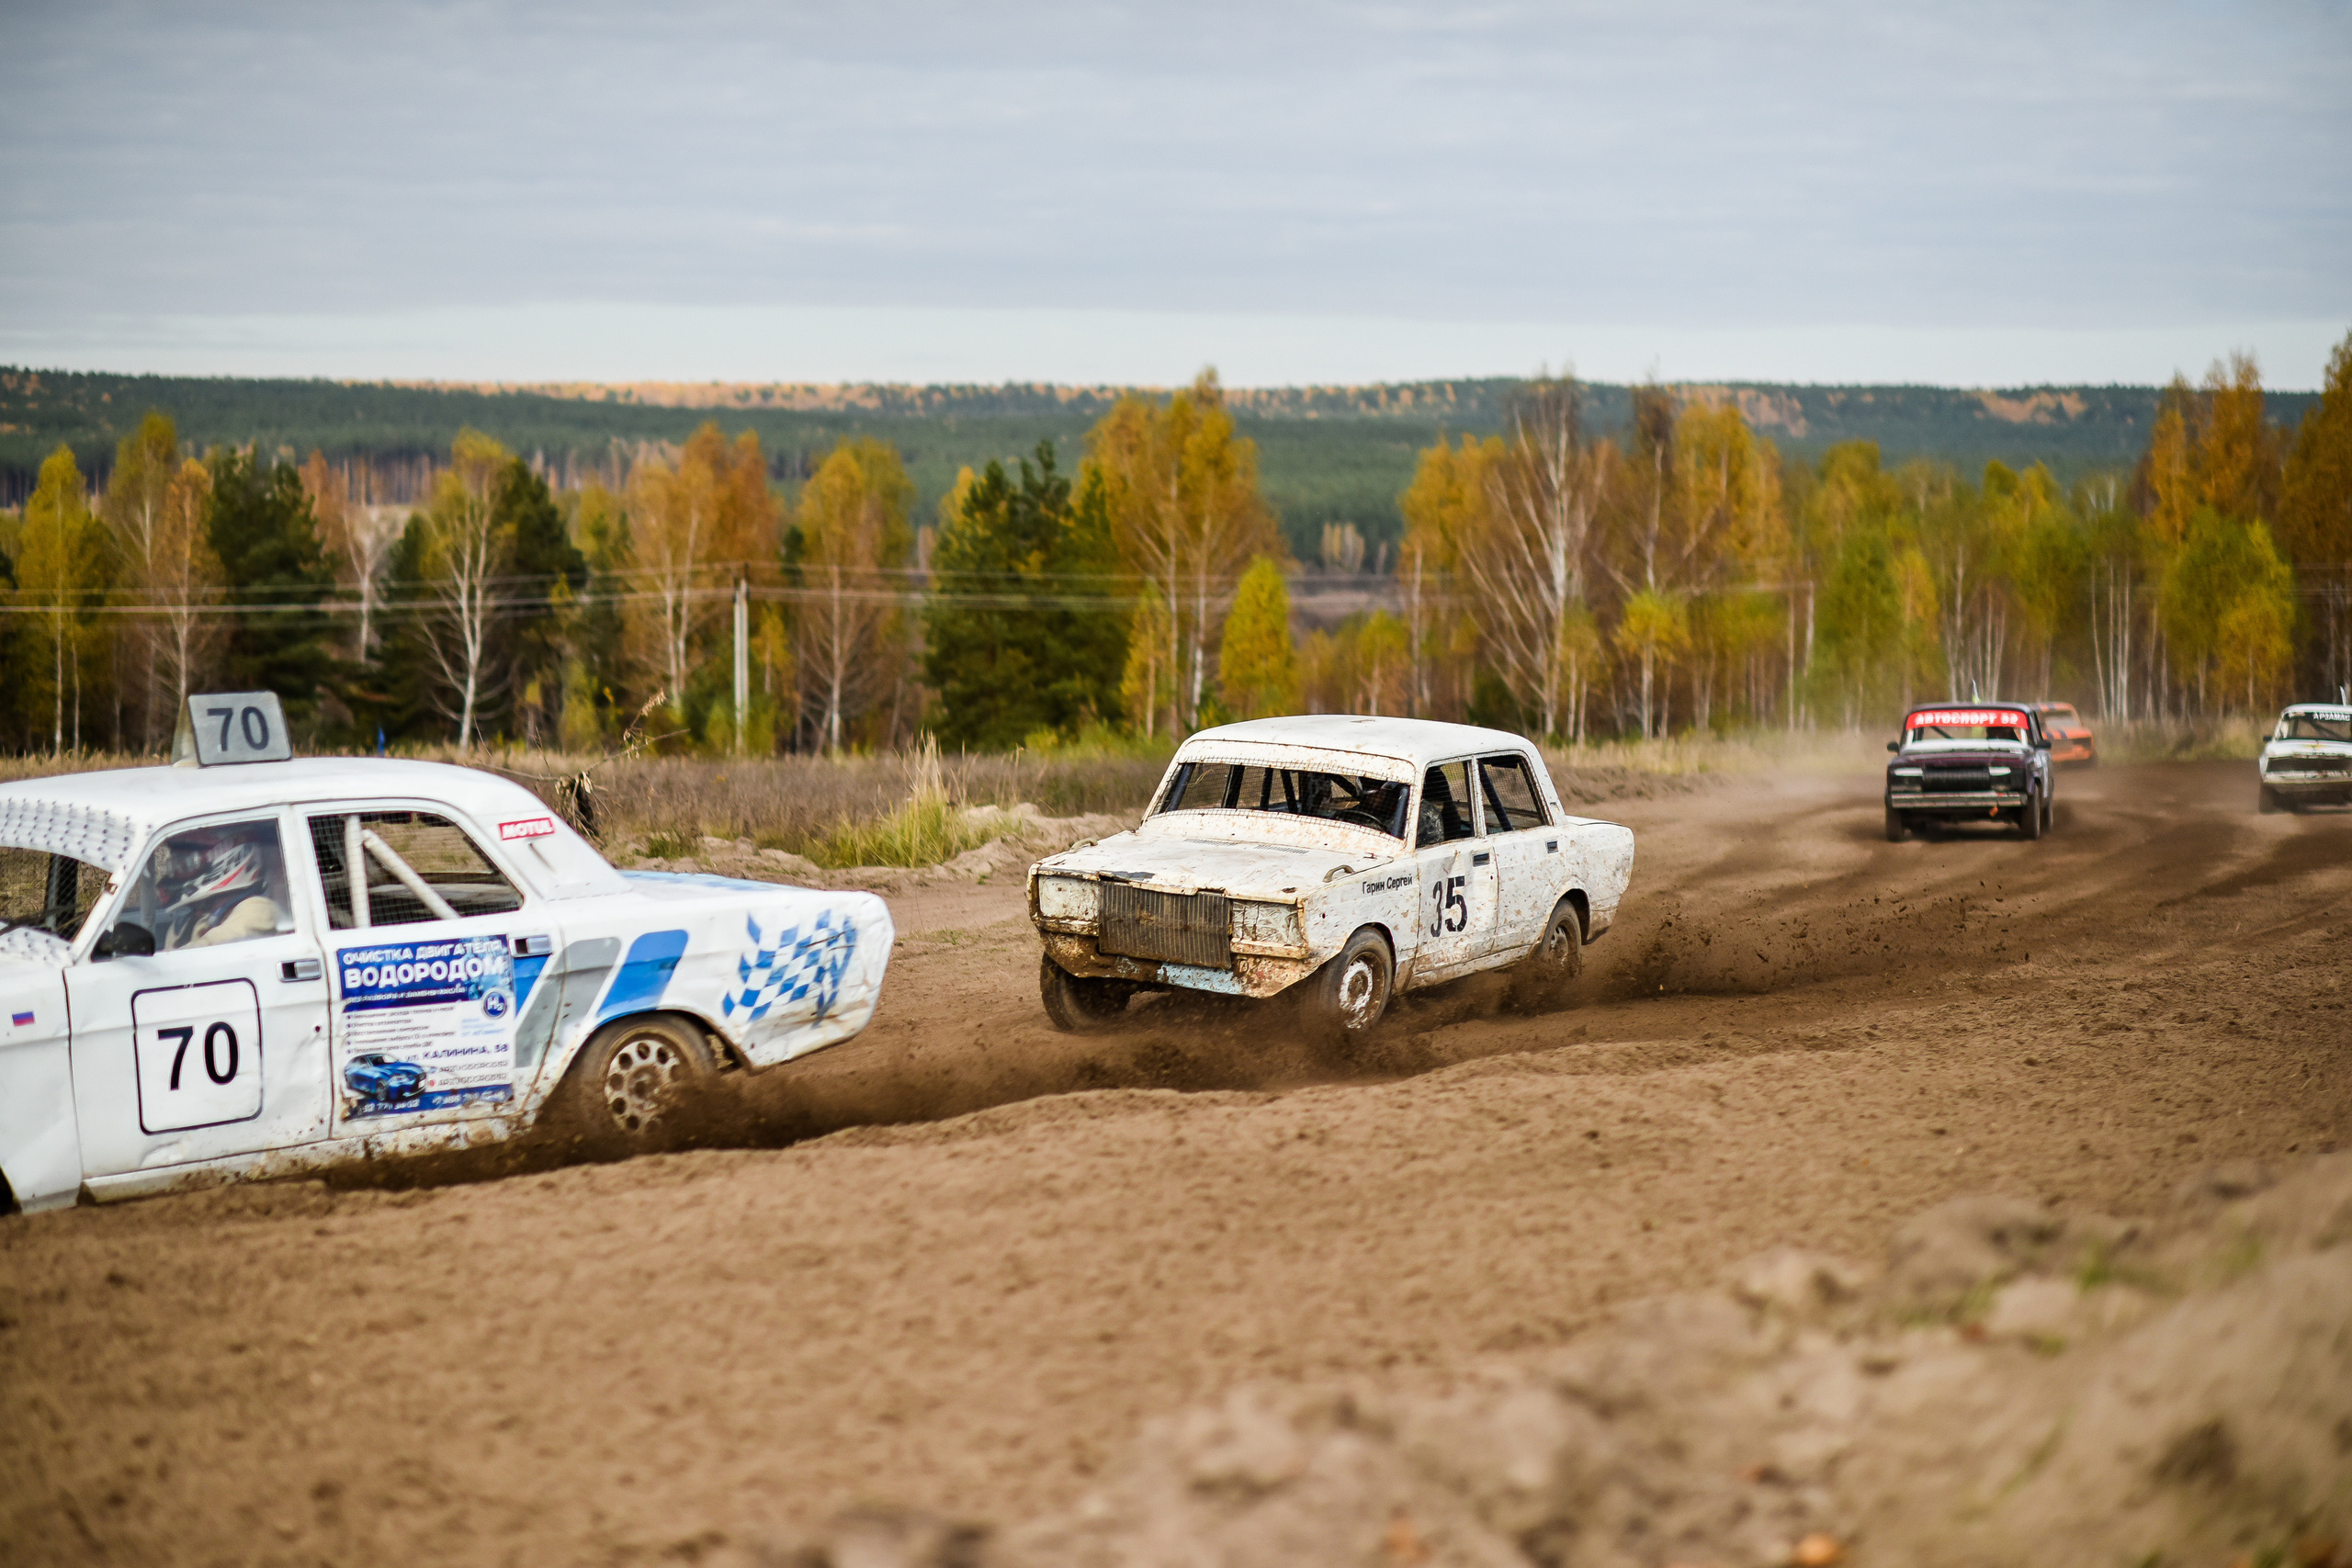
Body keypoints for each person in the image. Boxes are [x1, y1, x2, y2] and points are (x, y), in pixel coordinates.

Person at [153, 828, 287, 950]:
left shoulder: (258, 909)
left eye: (187, 863)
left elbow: (214, 947)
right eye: (176, 864)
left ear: (226, 858)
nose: (177, 873)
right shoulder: (186, 924)